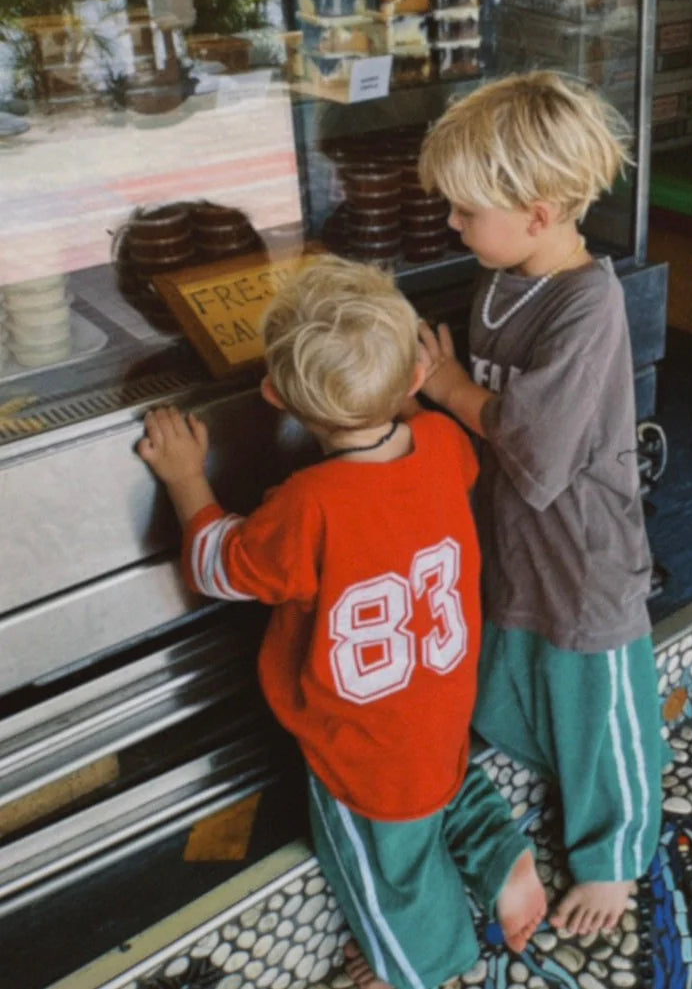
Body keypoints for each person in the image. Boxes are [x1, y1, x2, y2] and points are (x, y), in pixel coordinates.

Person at [137, 256, 546, 989]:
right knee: (442, 779)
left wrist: (185, 478)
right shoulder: (446, 446)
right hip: (444, 697)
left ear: (274, 396)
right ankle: (501, 857)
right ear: (414, 380)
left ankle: (426, 963)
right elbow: (418, 437)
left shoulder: (307, 505)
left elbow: (216, 565)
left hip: (361, 743)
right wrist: (407, 395)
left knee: (391, 863)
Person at [416, 72, 665, 938]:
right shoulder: (501, 278)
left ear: (540, 210)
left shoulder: (587, 304)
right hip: (523, 542)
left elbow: (534, 447)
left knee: (603, 708)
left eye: (463, 208)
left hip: (587, 558)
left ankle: (616, 854)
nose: (449, 223)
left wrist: (449, 387)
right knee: (524, 670)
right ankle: (548, 768)